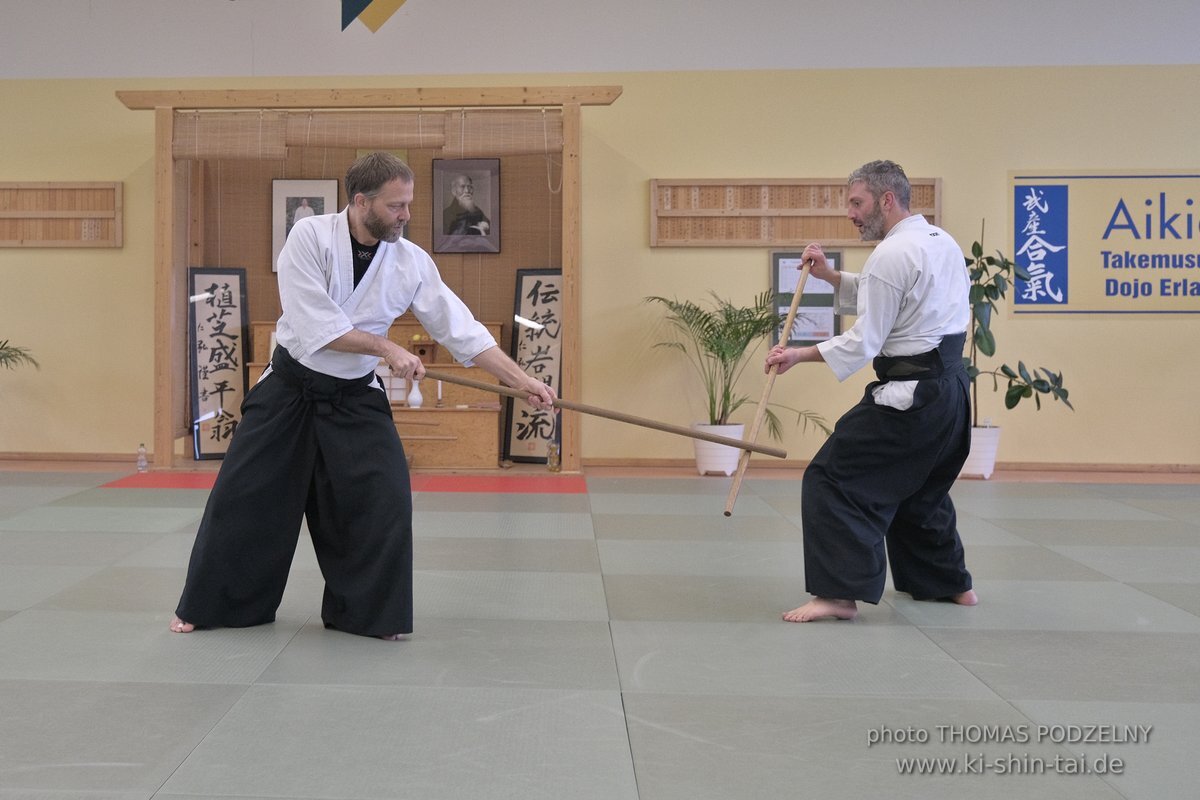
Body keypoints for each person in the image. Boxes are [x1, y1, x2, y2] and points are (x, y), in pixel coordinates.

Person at [170, 152, 555, 640]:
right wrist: (385, 347)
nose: (406, 215)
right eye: (396, 206)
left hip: (354, 396)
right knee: (244, 499)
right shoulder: (309, 237)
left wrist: (521, 381)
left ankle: (369, 615)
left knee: (384, 499)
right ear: (360, 201)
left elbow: (462, 330)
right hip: (291, 389)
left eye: (408, 204)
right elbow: (315, 325)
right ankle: (213, 607)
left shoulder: (410, 260)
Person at [764, 160, 978, 623]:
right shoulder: (940, 241)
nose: (851, 214)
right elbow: (894, 296)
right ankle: (951, 584)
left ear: (886, 199)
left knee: (831, 478)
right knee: (920, 490)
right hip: (952, 395)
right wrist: (829, 278)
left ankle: (838, 595)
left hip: (911, 398)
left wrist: (796, 356)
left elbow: (865, 341)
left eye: (857, 203)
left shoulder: (892, 254)